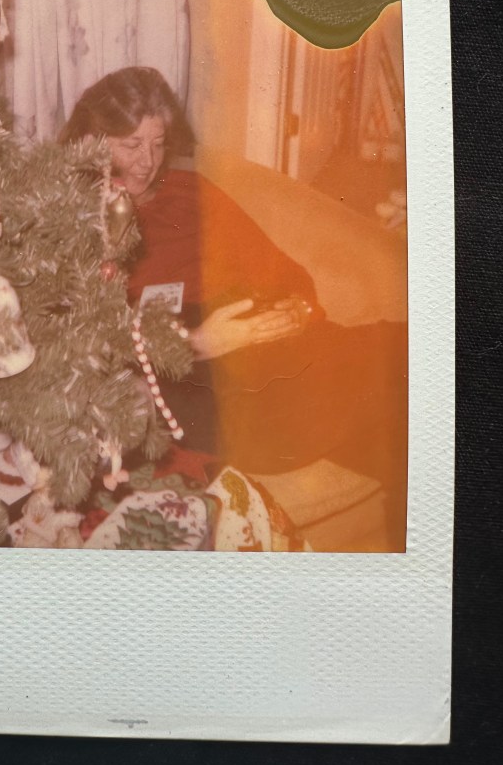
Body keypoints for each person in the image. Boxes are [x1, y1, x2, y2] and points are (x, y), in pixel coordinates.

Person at [59, 66, 408, 548]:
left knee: (402, 362)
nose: (147, 162)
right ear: (93, 140)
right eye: (131, 144)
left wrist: (297, 311)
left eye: (157, 143)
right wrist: (199, 343)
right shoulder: (70, 215)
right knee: (387, 410)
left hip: (254, 336)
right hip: (180, 375)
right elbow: (85, 347)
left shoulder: (189, 192)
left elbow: (281, 272)